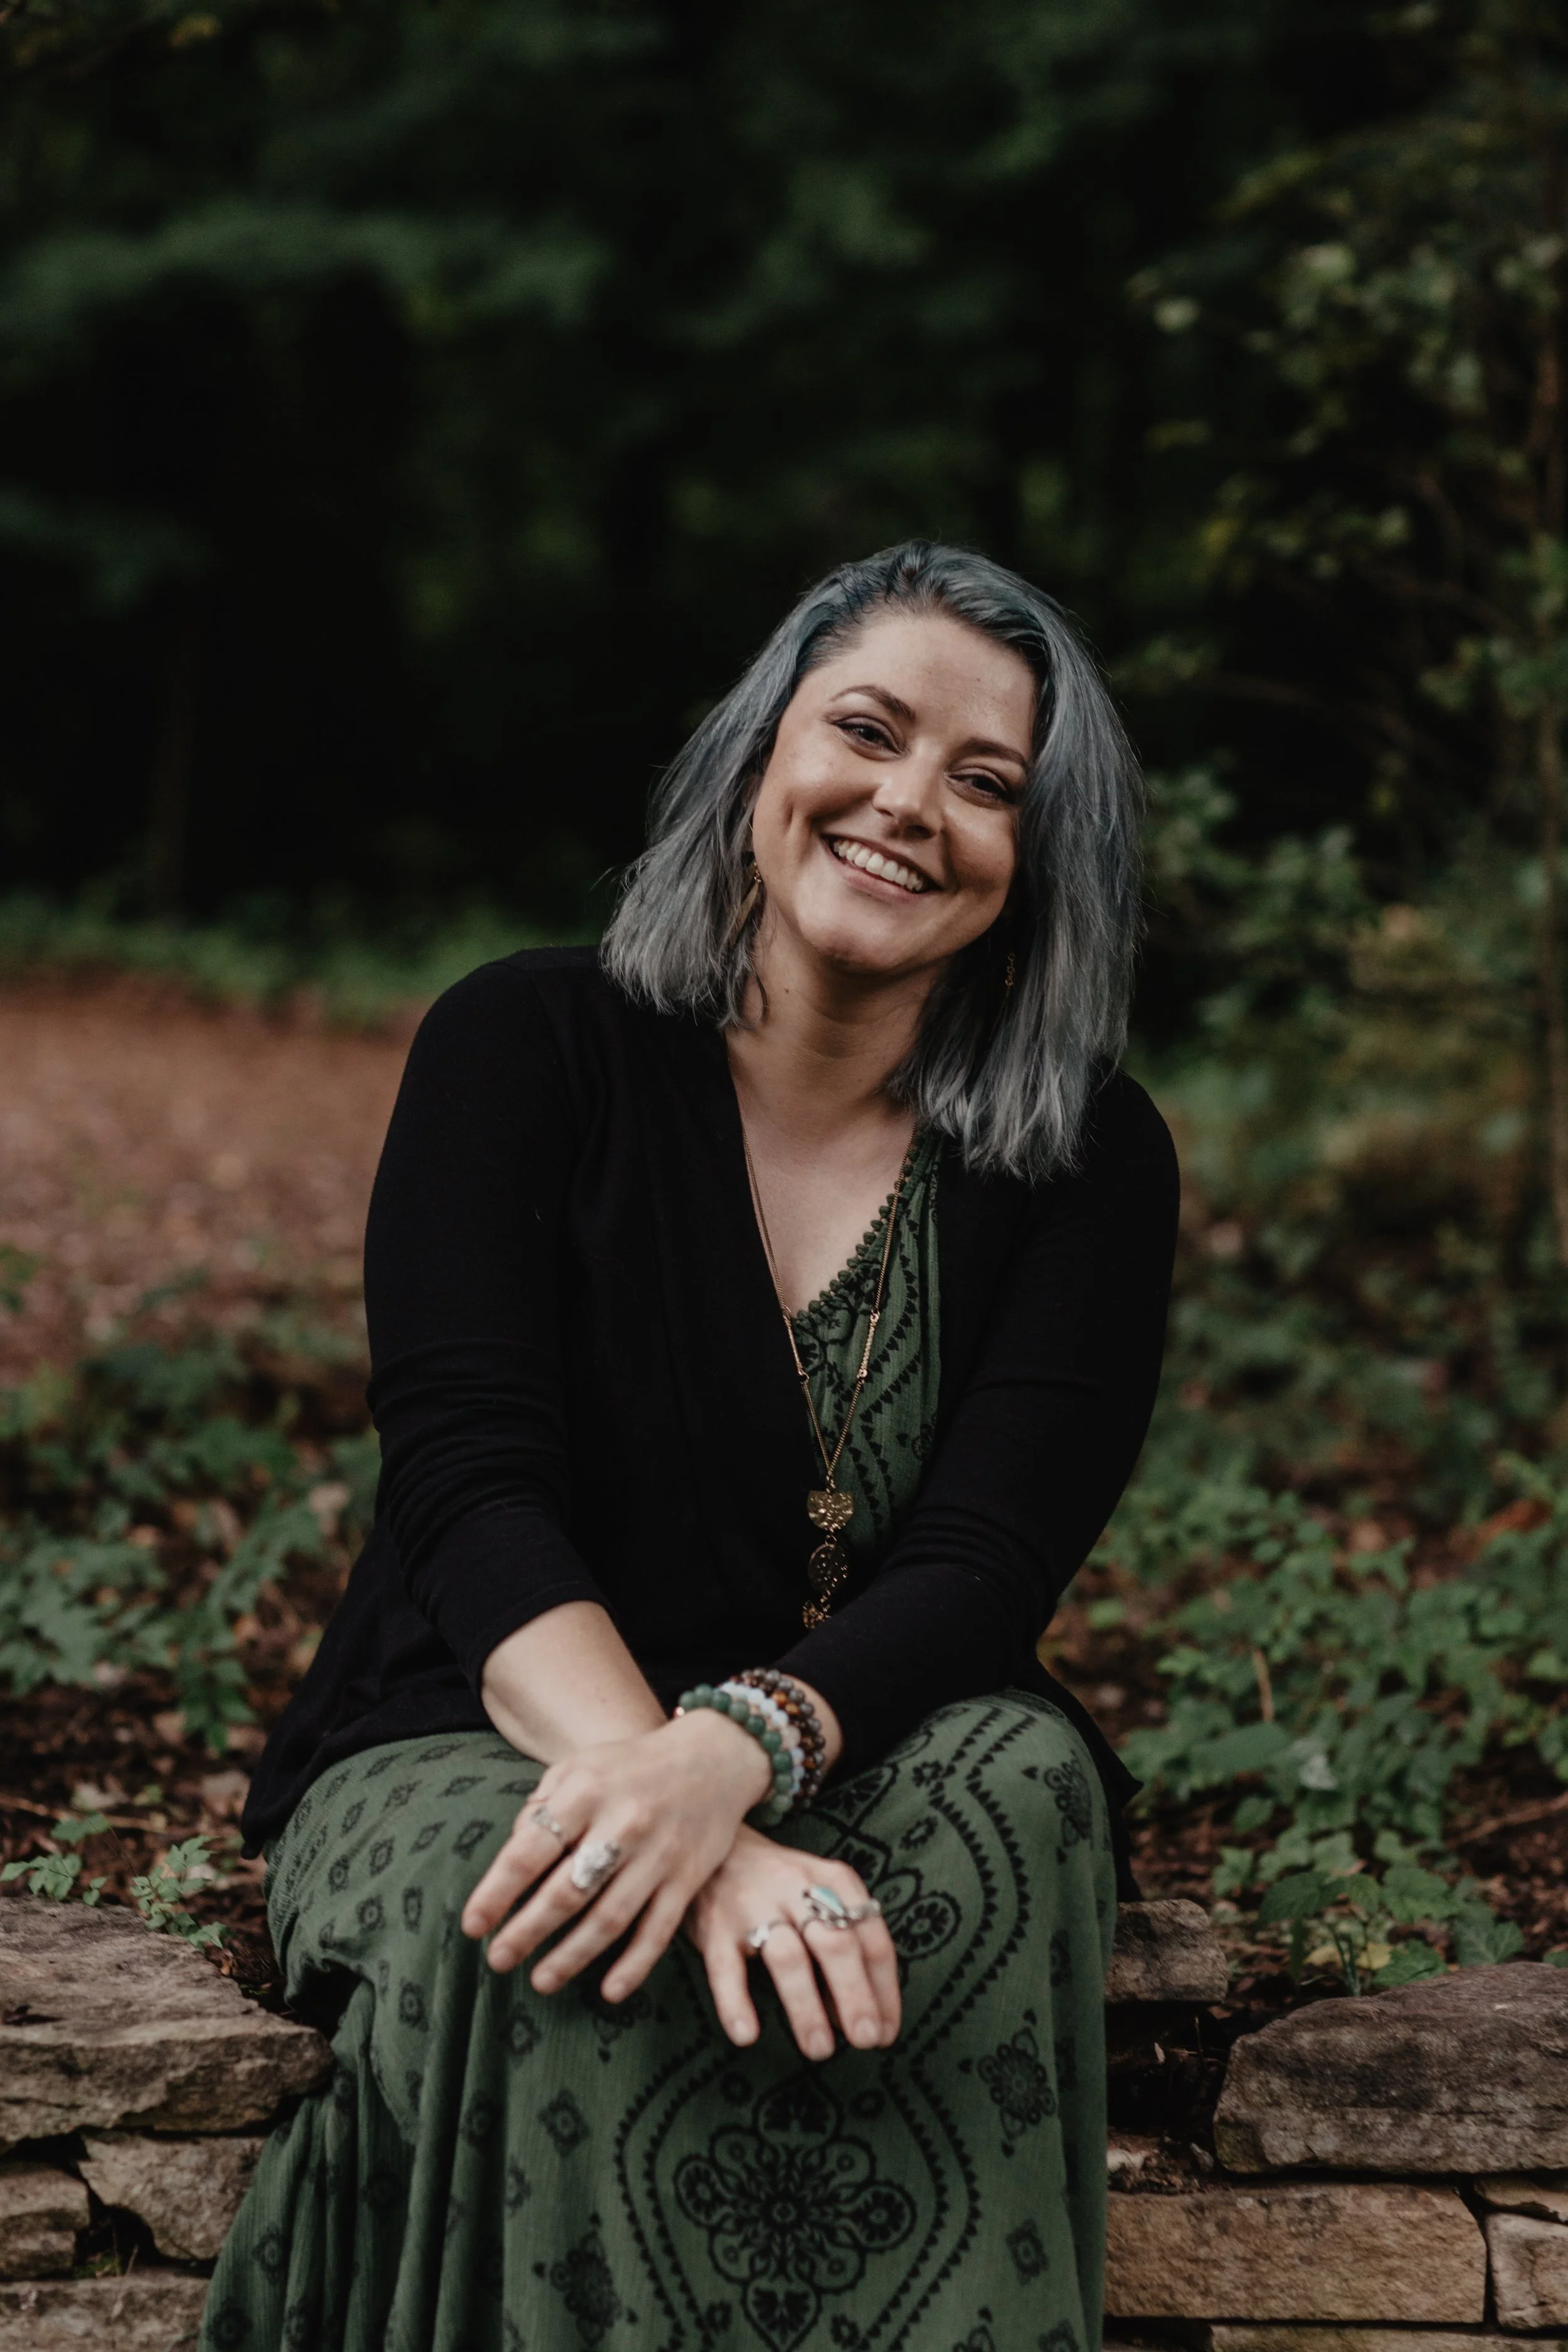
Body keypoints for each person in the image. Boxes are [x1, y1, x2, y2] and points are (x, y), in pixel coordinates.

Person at [202, 540, 1178, 2352]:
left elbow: (986, 1561)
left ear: (1042, 862)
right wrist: (677, 1806)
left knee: (1017, 1802)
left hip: (857, 1724)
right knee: (581, 1911)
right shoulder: (523, 1043)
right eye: (866, 732)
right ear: (758, 755)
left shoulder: (1087, 1159)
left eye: (985, 783)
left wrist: (744, 1749)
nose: (909, 804)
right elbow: (467, 1488)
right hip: (482, 1719)